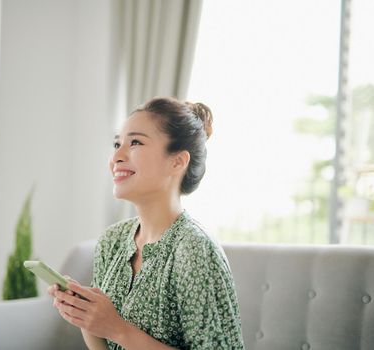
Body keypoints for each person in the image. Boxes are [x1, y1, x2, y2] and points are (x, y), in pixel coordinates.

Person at [48, 97, 244, 349]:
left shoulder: (194, 250)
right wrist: (85, 315)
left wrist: (118, 329)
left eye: (135, 142)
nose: (116, 156)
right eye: (116, 143)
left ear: (178, 161)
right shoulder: (112, 240)